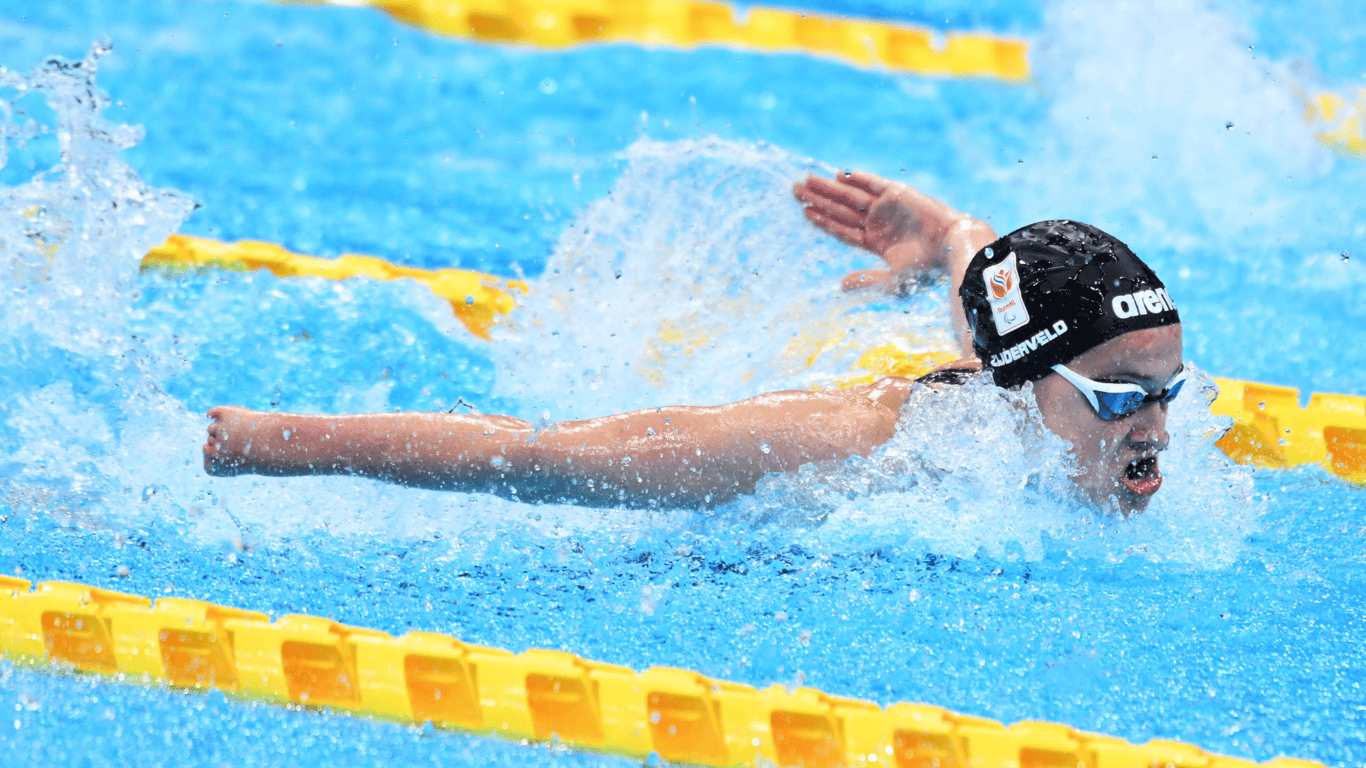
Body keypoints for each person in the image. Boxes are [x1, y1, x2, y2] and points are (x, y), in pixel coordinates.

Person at [203, 171, 1185, 515]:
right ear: (1027, 391)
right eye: (1118, 396)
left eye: (1167, 390)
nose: (1157, 425)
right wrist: (278, 444)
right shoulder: (862, 449)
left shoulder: (1037, 391)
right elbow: (538, 457)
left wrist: (953, 236)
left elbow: (998, 338)